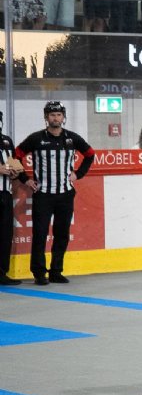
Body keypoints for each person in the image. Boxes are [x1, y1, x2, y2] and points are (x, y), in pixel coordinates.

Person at [14, 102, 95, 285]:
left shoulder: (72, 138)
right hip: (43, 194)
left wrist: (78, 174)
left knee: (62, 234)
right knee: (40, 234)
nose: (55, 118)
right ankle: (39, 273)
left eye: (58, 114)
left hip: (65, 194)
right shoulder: (36, 138)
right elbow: (15, 155)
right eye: (52, 115)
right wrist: (25, 178)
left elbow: (90, 154)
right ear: (46, 117)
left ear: (63, 117)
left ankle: (56, 271)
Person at [0, 119, 19, 284]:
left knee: (5, 235)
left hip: (5, 194)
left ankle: (2, 273)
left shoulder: (6, 140)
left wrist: (15, 171)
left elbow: (14, 164)